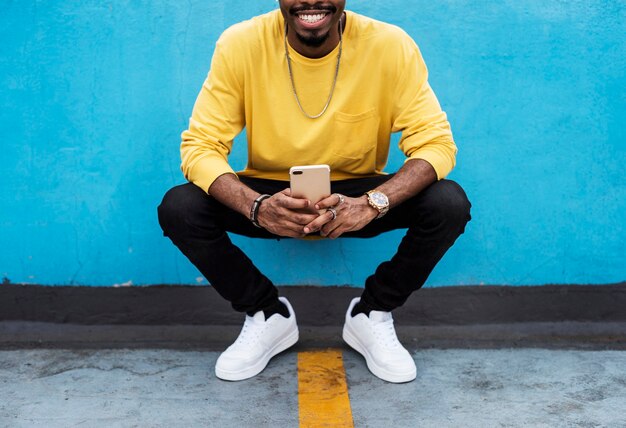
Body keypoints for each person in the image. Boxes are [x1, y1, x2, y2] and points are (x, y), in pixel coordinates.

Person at [158, 0, 471, 383]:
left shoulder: (390, 45)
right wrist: (256, 206)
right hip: (271, 192)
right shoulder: (241, 43)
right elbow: (200, 147)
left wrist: (371, 204)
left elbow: (436, 145)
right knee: (181, 206)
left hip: (357, 194)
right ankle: (267, 314)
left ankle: (372, 313)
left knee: (448, 202)